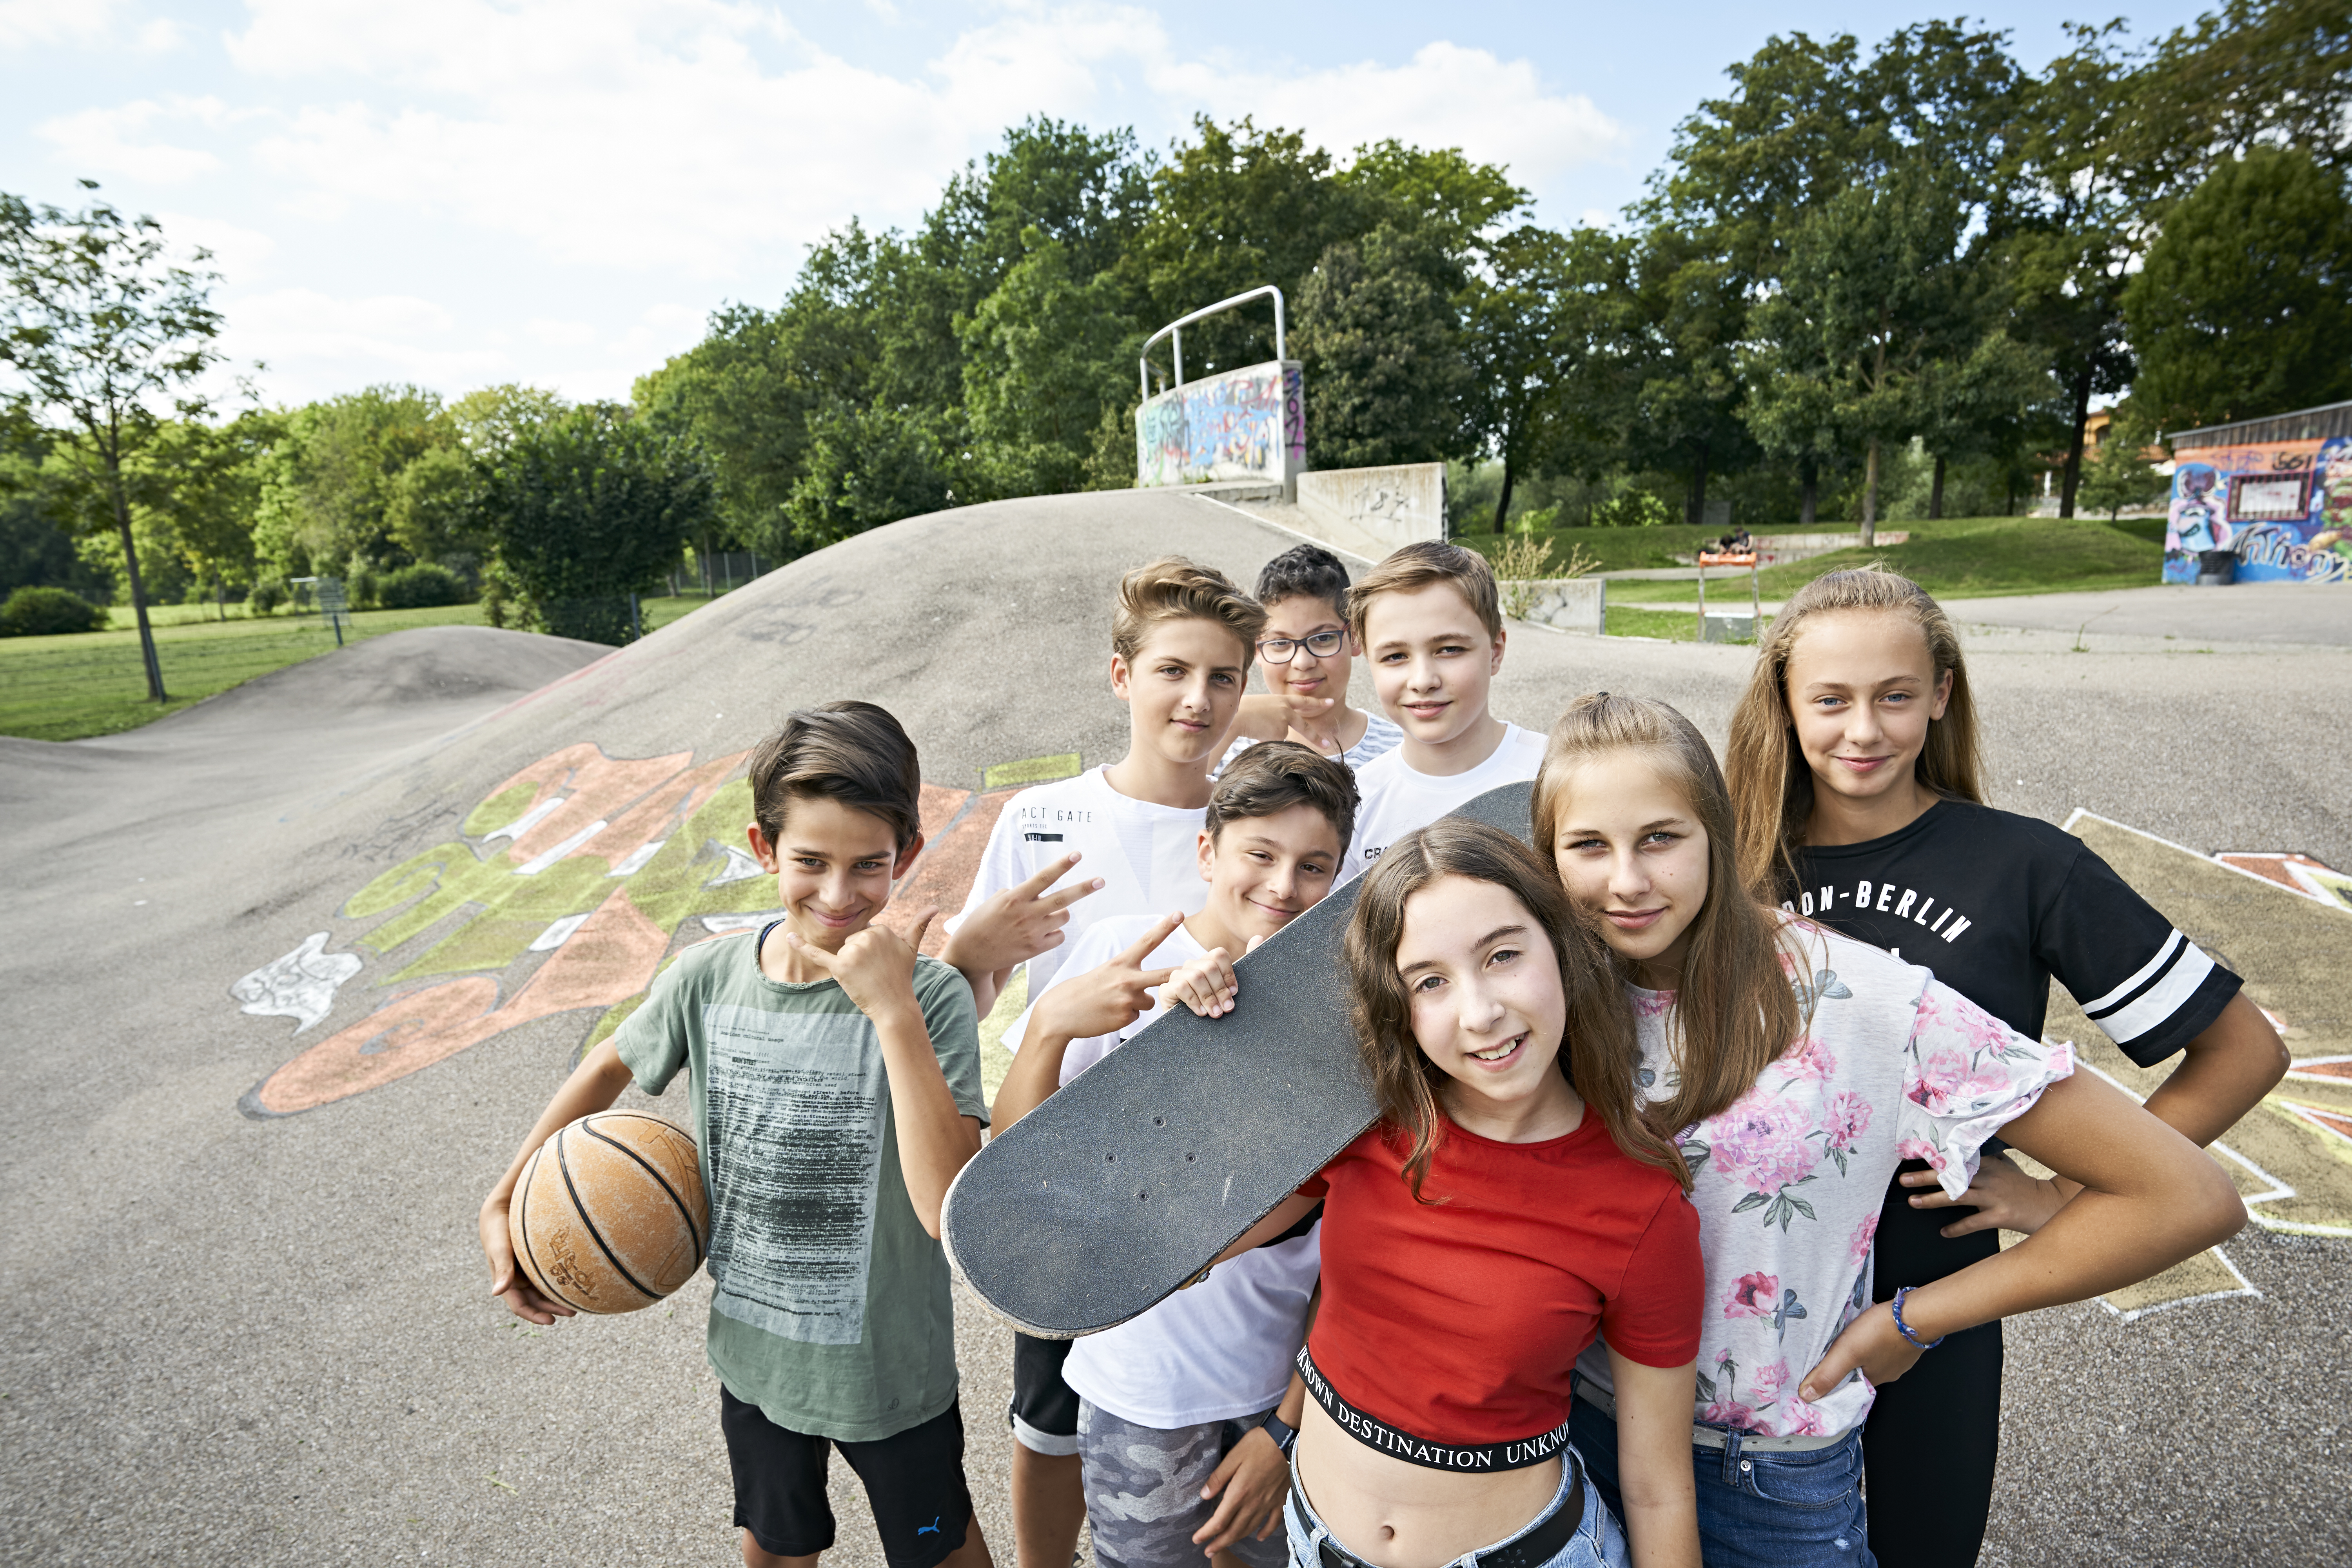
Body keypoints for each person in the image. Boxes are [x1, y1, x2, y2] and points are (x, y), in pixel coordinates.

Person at [1536, 691, 2249, 1566]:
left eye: (1660, 837)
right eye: (1588, 846)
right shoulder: (1544, 996)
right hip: (1569, 1439)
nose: (1627, 881)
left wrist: (1916, 1320)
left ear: (1717, 835)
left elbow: (2187, 1196)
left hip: (1762, 1477)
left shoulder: (1865, 998)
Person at [1720, 569, 2288, 1567]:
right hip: (1740, 1304)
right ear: (1783, 701)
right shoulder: (1726, 865)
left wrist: (2059, 1192)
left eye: (1895, 695)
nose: (1864, 728)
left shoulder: (2022, 865)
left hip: (1931, 1307)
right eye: (1831, 699)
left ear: (1942, 691)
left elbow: (2244, 1048)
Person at [476, 702, 993, 1568]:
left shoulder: (931, 996)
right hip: (756, 1361)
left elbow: (947, 1206)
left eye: (869, 865)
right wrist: (506, 1193)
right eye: (810, 862)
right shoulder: (706, 978)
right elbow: (608, 1062)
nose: (838, 895)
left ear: (905, 857)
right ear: (763, 849)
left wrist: (893, 1008)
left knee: (942, 1553)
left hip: (889, 1370)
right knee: (773, 1543)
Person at [1224, 820, 1708, 1568]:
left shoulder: (1642, 1208)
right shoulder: (1362, 1126)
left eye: (1504, 956)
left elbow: (1657, 1488)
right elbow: (1183, 1242)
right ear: (1399, 1006)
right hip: (1312, 1540)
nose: (1480, 1013)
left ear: (1564, 952)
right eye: (1431, 982)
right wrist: (1198, 1043)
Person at [938, 555, 1267, 1568]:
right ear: (1121, 676)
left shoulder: (1257, 826)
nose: (1198, 698)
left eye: (1222, 676)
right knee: (1048, 1420)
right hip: (1076, 1177)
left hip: (1220, 1183)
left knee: (1197, 1434)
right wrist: (964, 955)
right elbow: (968, 1004)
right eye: (1173, 670)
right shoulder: (1043, 821)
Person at [992, 742, 1360, 1568]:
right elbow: (1014, 1162)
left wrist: (1288, 1421)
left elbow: (1352, 1241)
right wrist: (1055, 1023)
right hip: (1138, 1385)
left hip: (1281, 1383)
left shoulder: (1345, 1004)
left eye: (1313, 865)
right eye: (1258, 853)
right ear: (1207, 850)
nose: (1281, 884)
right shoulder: (1127, 950)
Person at [1341, 542, 1546, 884]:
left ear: (1495, 652)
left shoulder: (1554, 773)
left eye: (1449, 649)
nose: (1423, 681)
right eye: (1395, 656)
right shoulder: (1357, 805)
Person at [1216, 543, 1403, 775]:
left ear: (1355, 638)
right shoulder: (1222, 750)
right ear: (1258, 650)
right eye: (1280, 643)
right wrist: (1232, 724)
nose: (1303, 662)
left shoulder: (1402, 750)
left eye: (1323, 638)